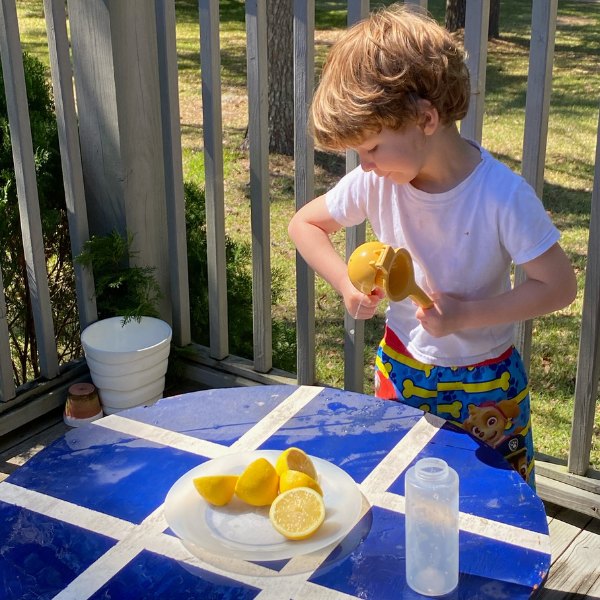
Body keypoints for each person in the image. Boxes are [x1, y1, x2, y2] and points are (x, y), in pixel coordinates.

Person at [287, 3, 577, 488]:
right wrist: (345, 284)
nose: (367, 163)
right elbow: (304, 225)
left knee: (494, 500)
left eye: (374, 147)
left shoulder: (501, 196)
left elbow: (559, 286)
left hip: (485, 384)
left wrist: (465, 316)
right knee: (399, 487)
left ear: (425, 117)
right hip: (402, 369)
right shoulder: (375, 181)